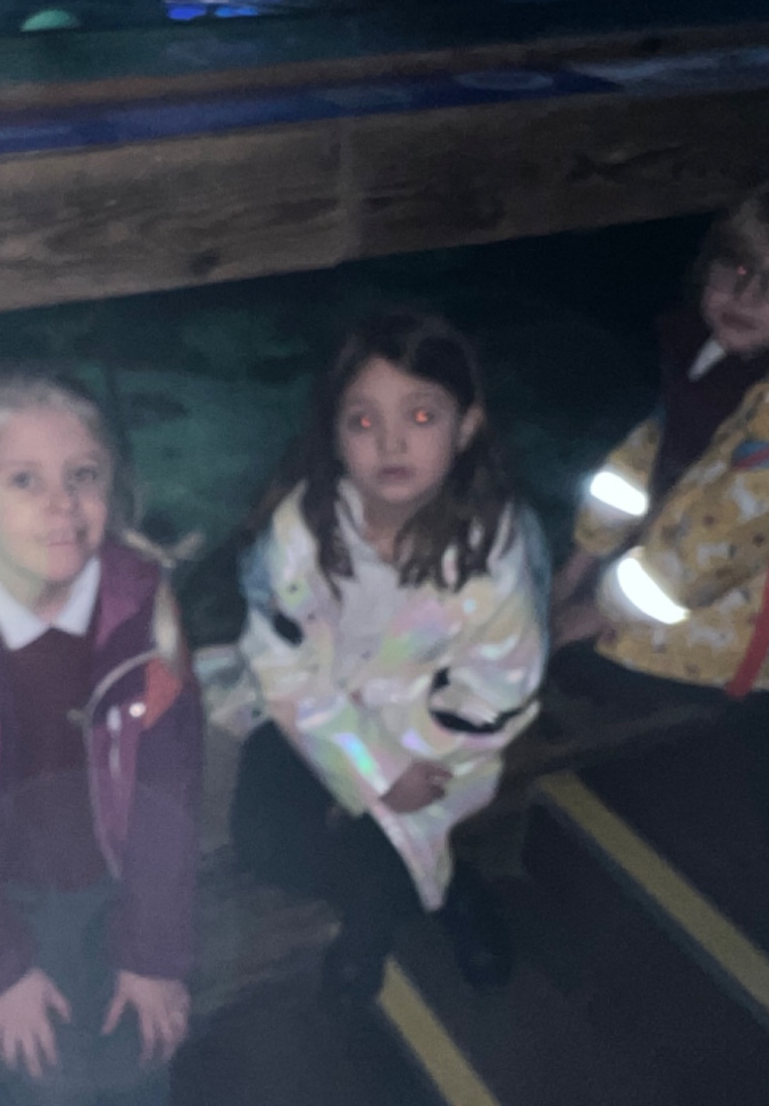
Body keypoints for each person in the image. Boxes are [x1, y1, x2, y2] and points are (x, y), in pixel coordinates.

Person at [0, 369, 203, 1106]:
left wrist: (154, 953)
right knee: (44, 1068)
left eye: (82, 475)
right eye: (24, 480)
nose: (62, 503)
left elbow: (171, 783)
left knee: (144, 1054)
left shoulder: (143, 608)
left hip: (121, 877)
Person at [222, 312, 546, 1013]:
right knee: (263, 841)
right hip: (318, 717)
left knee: (389, 842)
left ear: (466, 426)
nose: (391, 442)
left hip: (436, 734)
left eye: (421, 416)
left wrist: (408, 766)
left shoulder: (492, 547)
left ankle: (377, 925)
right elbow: (282, 666)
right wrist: (371, 768)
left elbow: (501, 681)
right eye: (363, 422)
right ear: (334, 436)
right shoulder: (302, 529)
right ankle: (443, 888)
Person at [553, 170, 769, 701]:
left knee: (556, 681)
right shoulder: (716, 359)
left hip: (749, 639)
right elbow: (640, 461)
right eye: (736, 267)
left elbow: (714, 549)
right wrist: (576, 564)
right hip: (671, 580)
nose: (745, 293)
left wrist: (594, 613)